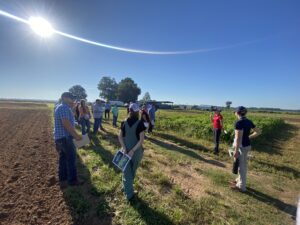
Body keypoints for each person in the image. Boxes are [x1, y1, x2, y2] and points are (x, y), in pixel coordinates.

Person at [118, 103, 146, 201]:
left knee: (126, 171)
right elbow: (141, 140)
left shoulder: (123, 122)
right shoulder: (140, 123)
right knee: (131, 172)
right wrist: (133, 151)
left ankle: (125, 187)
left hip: (124, 151)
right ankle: (129, 195)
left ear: (129, 110)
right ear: (138, 111)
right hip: (136, 152)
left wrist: (124, 148)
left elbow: (120, 137)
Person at [54, 92, 82, 187]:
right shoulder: (63, 108)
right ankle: (73, 181)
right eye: (71, 98)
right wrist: (76, 136)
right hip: (65, 138)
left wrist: (73, 109)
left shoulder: (64, 108)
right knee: (71, 159)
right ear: (65, 98)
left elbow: (69, 120)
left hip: (61, 139)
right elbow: (66, 124)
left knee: (63, 159)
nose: (73, 99)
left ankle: (63, 180)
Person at [231, 106, 261, 192]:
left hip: (241, 147)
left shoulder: (238, 123)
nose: (235, 113)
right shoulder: (249, 121)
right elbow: (258, 132)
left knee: (241, 166)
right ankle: (238, 180)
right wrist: (248, 137)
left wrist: (236, 151)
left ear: (237, 113)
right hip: (247, 146)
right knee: (243, 164)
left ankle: (241, 187)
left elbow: (237, 139)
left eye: (235, 112)